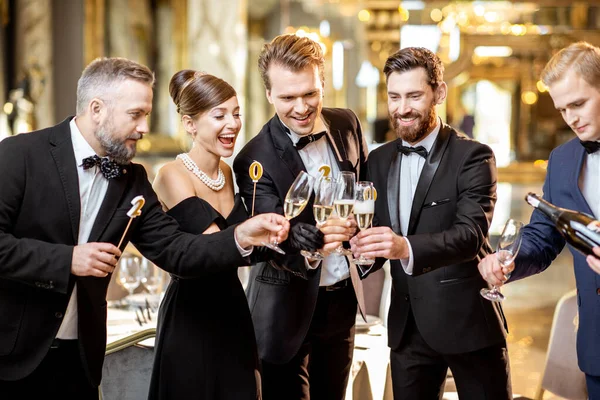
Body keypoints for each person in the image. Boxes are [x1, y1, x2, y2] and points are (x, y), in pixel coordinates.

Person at [0, 57, 289, 399]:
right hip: (11, 357)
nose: (144, 128)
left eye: (146, 115)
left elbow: (178, 251)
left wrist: (239, 236)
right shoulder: (19, 155)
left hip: (79, 363)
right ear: (97, 109)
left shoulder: (131, 180)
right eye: (135, 114)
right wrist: (68, 260)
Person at [350, 47, 511, 400]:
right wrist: (359, 249)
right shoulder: (377, 160)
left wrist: (403, 247)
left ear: (438, 93)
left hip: (469, 324)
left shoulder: (474, 157)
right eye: (394, 96)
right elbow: (375, 237)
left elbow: (469, 236)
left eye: (414, 95)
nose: (402, 108)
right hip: (407, 329)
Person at [233, 33, 368, 400]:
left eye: (310, 93)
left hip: (342, 299)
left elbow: (364, 190)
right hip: (283, 308)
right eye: (288, 97)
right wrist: (303, 239)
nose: (301, 107)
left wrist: (361, 227)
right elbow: (270, 231)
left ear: (323, 82)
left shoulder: (347, 124)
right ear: (269, 95)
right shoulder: (252, 157)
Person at [478, 41, 600, 398]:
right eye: (562, 109)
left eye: (578, 104)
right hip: (597, 347)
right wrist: (510, 259)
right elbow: (543, 237)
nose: (571, 118)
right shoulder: (562, 160)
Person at [148, 70, 266, 399]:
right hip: (190, 317)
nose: (232, 124)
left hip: (233, 310)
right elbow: (213, 245)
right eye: (219, 115)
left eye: (236, 113)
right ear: (190, 124)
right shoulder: (171, 174)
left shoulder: (228, 173)